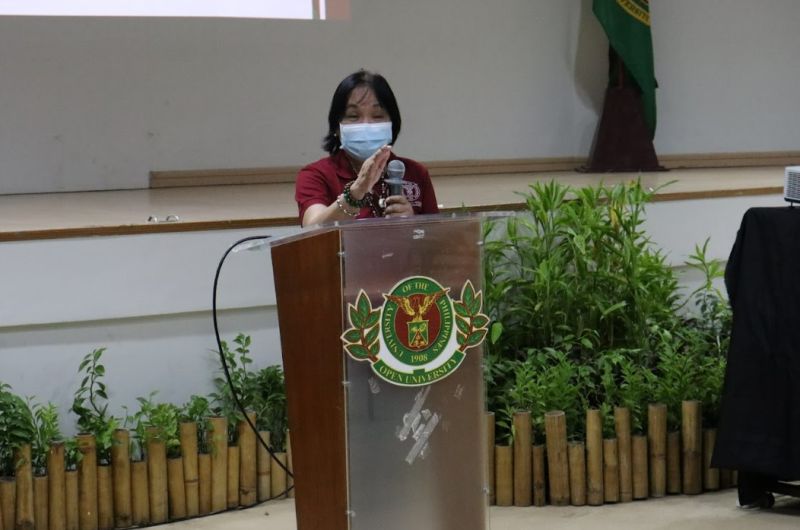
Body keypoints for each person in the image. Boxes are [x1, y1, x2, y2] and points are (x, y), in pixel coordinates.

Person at [295, 70, 439, 227]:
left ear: (392, 124)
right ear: (337, 127)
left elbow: (437, 242)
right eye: (353, 116)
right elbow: (312, 229)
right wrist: (356, 192)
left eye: (377, 116)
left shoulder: (416, 173)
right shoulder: (316, 175)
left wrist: (414, 224)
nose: (366, 125)